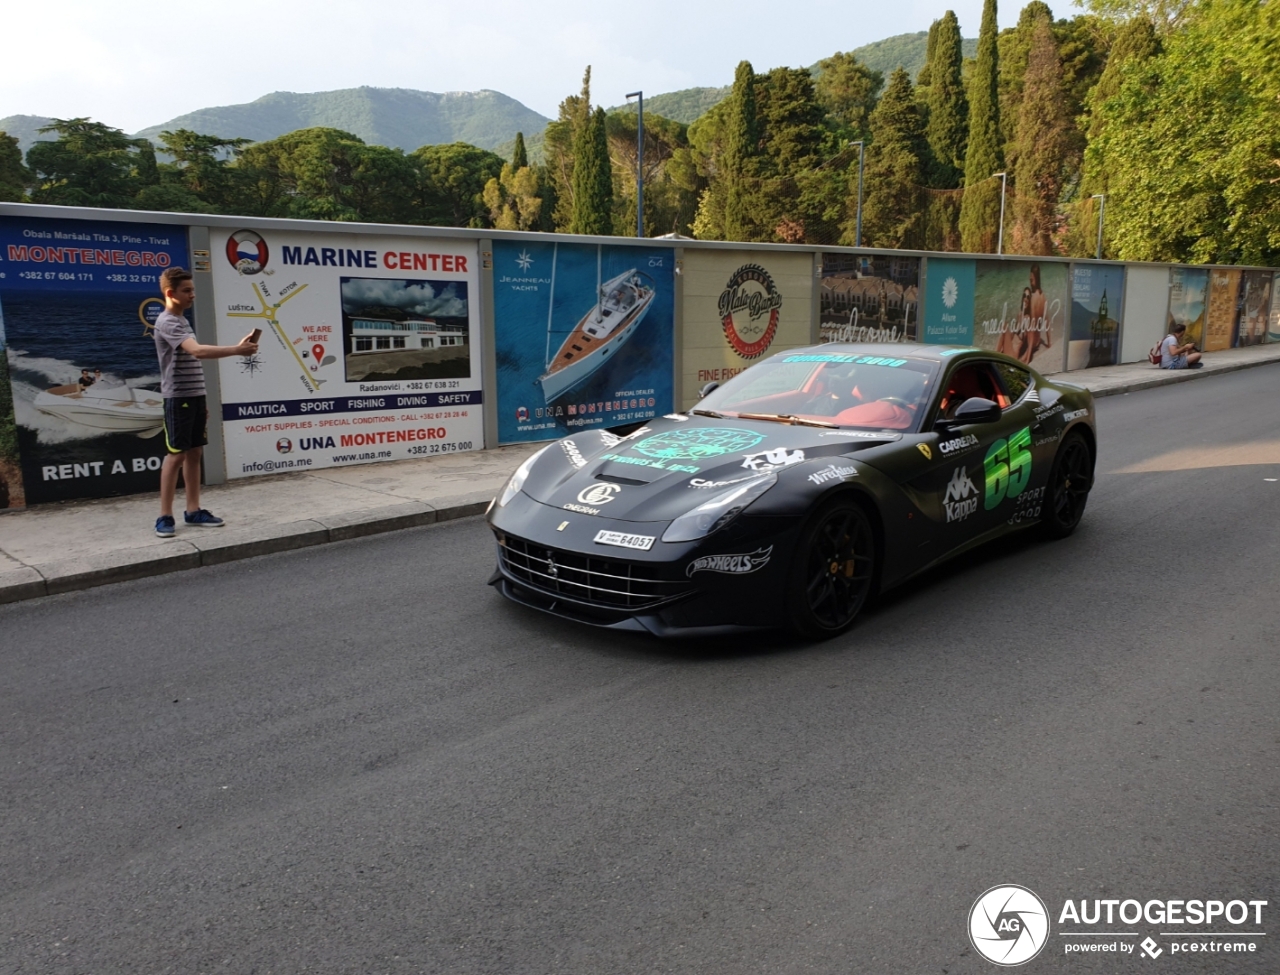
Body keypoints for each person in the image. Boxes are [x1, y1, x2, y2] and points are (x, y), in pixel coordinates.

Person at [152, 267, 258, 538]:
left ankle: (193, 510)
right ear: (170, 293)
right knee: (175, 456)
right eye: (187, 291)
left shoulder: (183, 322)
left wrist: (202, 400)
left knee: (195, 453)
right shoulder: (167, 322)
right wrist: (237, 350)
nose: (192, 295)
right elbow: (197, 352)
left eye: (193, 290)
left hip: (194, 397)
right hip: (178, 399)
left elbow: (192, 361)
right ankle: (164, 516)